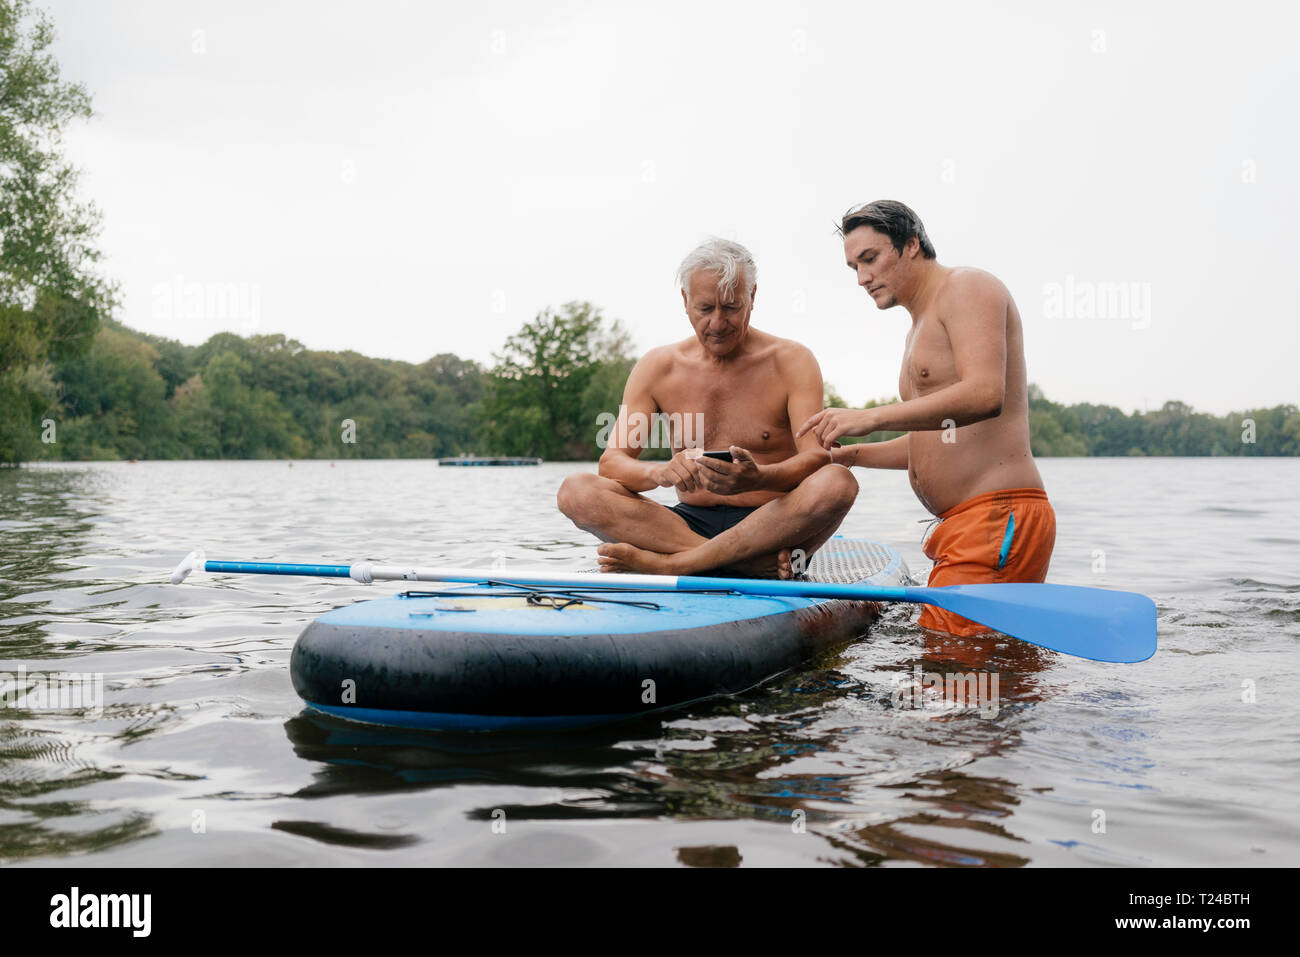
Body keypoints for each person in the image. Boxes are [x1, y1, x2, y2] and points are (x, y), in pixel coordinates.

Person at [798, 200, 1055, 635]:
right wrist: (849, 454)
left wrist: (871, 416)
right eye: (853, 267)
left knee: (952, 673)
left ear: (911, 244)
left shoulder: (968, 287)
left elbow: (985, 394)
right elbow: (937, 440)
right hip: (963, 527)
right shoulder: (918, 323)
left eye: (870, 259)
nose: (862, 278)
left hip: (996, 519)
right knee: (972, 673)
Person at [557, 237, 857, 578]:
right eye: (704, 309)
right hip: (685, 526)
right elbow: (612, 463)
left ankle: (675, 565)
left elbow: (816, 458)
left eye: (731, 308)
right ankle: (736, 564)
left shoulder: (792, 361)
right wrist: (658, 473)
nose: (717, 323)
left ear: (752, 298)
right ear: (685, 301)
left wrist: (759, 477)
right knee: (576, 491)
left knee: (838, 481)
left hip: (772, 524)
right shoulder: (658, 367)